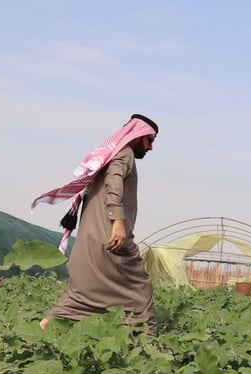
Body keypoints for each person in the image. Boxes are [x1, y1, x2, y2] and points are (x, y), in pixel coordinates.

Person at [31, 114, 159, 335]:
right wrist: (118, 222)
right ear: (138, 137)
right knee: (140, 289)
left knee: (78, 296)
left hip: (89, 245)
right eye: (149, 141)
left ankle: (38, 331)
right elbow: (114, 182)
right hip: (112, 241)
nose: (150, 148)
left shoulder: (113, 155)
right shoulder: (124, 154)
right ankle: (149, 344)